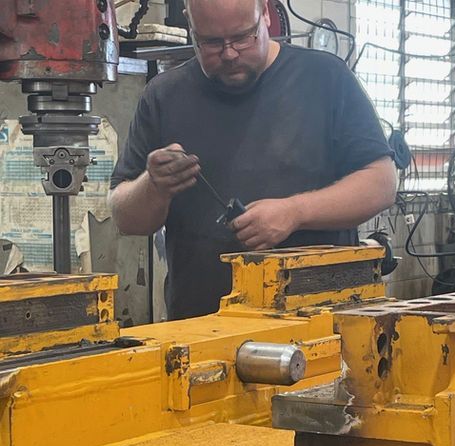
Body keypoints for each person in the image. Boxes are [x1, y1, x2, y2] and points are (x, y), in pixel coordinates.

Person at [109, 0, 397, 320]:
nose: (229, 53)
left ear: (264, 15)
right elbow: (126, 218)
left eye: (243, 37)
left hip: (317, 320)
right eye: (212, 42)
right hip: (201, 327)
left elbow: (381, 183)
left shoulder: (325, 78)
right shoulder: (162, 95)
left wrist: (295, 212)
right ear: (191, 27)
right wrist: (153, 186)